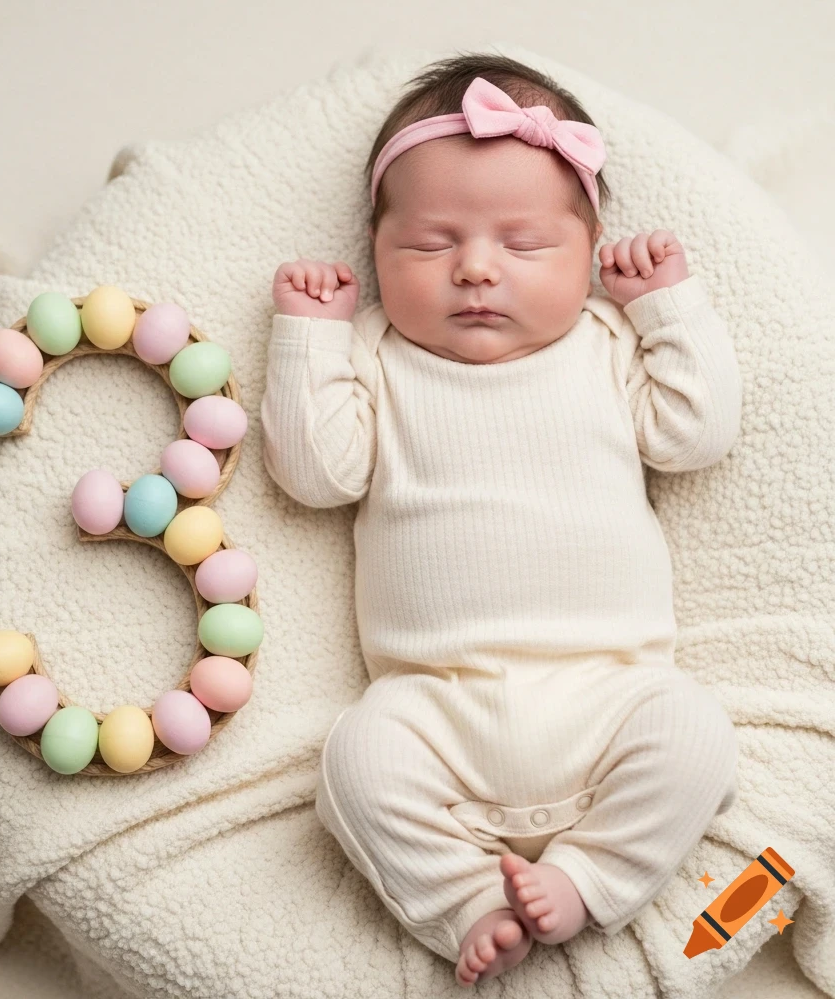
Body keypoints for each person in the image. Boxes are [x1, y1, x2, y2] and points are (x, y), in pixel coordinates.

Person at [260, 52, 742, 988]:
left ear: (589, 249)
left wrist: (666, 308)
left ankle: (589, 875)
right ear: (375, 248)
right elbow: (316, 474)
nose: (476, 269)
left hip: (613, 690)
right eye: (429, 245)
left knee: (696, 737)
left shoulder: (607, 343)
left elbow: (696, 434)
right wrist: (310, 337)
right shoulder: (378, 356)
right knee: (354, 762)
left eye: (523, 246)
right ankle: (467, 900)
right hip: (432, 704)